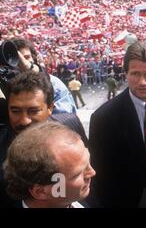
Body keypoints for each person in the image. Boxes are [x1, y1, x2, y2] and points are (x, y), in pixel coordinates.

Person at [89, 41, 146, 208]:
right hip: (125, 196)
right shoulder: (103, 117)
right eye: (135, 74)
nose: (142, 82)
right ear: (125, 73)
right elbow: (100, 173)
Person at [0, 71, 88, 207]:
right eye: (16, 111)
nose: (24, 120)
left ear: (50, 108)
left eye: (33, 111)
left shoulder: (71, 124)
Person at [3, 122, 95, 208]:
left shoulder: (74, 195)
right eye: (78, 174)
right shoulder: (74, 193)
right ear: (41, 191)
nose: (92, 173)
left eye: (88, 163)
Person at [10, 38, 77, 114]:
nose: (22, 63)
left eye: (27, 57)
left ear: (34, 58)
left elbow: (65, 119)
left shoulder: (54, 83)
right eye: (16, 59)